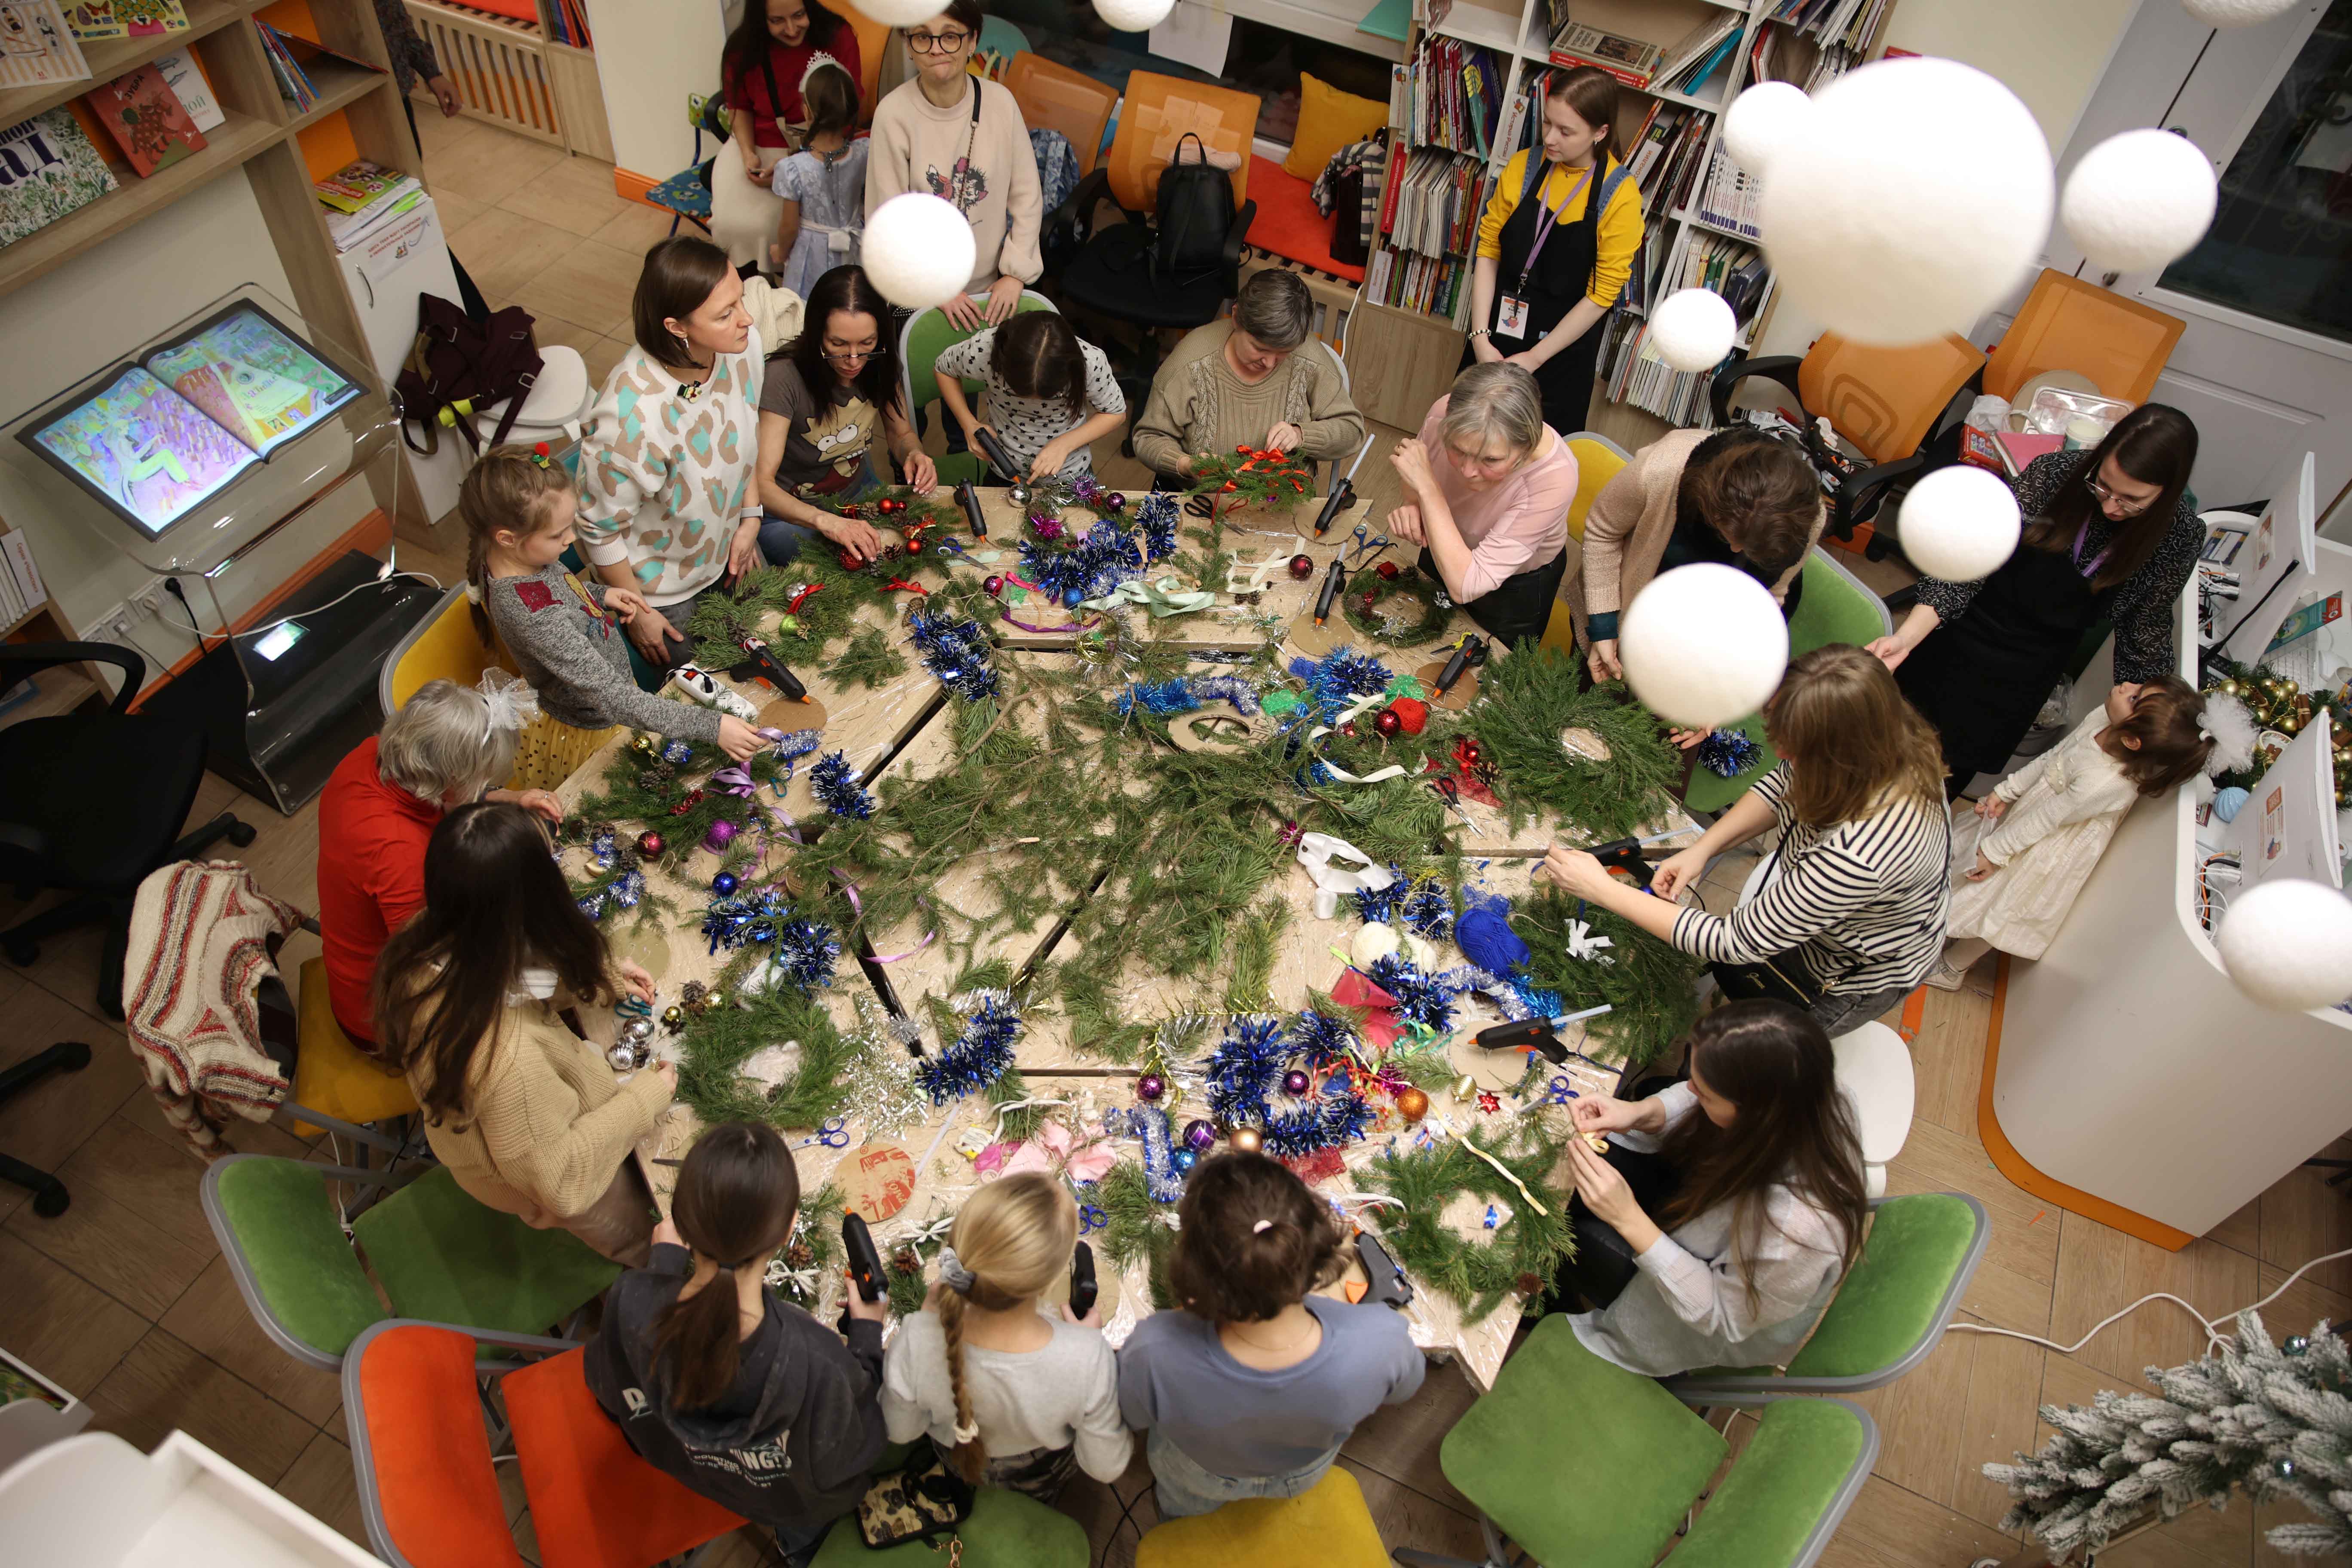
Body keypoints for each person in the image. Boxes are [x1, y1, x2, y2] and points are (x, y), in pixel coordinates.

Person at [1539, 645, 1951, 1036]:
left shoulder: (1859, 855)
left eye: (1795, 751)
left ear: (1837, 756)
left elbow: (1735, 941)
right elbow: (1782, 786)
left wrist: (1602, 890)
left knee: (1755, 1047)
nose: (1781, 755)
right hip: (1818, 915)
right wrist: (1702, 849)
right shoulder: (1873, 745)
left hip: (1841, 974)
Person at [375, 803, 673, 1265]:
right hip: (565, 1181)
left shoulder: (429, 937)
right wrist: (645, 1098)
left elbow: (518, 980)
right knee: (652, 1238)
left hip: (524, 1138)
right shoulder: (509, 1063)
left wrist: (597, 978)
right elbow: (563, 1183)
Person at [586, 1121, 888, 1567]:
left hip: (678, 1466)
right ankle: (797, 1550)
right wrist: (866, 1338)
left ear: (680, 1223)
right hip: (786, 1504)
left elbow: (609, 1390)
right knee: (807, 1522)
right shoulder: (815, 1361)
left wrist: (662, 1267)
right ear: (788, 1230)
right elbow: (857, 1450)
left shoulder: (630, 1302)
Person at [1869, 405, 2203, 799]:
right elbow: (1967, 563)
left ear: (2168, 492)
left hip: (2029, 670)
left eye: (2132, 501)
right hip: (1966, 628)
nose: (2111, 506)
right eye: (2103, 486)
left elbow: (2145, 628)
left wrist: (2154, 718)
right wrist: (1907, 639)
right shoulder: (2054, 474)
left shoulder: (2179, 536)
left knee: (1940, 779)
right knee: (1880, 741)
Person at [1555, 1000, 1869, 1379]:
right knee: (1631, 1115)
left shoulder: (1796, 1233)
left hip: (1707, 1311)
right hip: (1707, 1206)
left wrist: (1628, 1218)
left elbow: (1721, 1315)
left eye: (1704, 1093)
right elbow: (1696, 1092)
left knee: (1574, 1231)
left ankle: (1550, 1296)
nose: (1690, 1088)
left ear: (1753, 1114)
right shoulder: (1803, 1092)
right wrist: (1640, 1113)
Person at [1117, 1151, 1424, 1518]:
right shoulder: (1383, 1340)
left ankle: (1176, 1521)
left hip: (1198, 1473)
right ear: (1313, 1245)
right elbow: (1406, 1388)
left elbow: (1132, 1413)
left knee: (1181, 1508)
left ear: (1193, 1271)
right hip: (1302, 1471)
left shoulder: (1154, 1350)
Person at [464, 446, 766, 776]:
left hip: (608, 699)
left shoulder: (520, 561)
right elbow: (612, 697)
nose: (571, 538)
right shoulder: (532, 615)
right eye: (558, 534)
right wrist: (713, 726)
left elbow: (559, 592)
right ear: (507, 538)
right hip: (595, 723)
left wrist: (600, 594)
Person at [576, 237, 795, 673]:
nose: (747, 319)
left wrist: (750, 518)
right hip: (664, 592)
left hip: (732, 546)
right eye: (725, 314)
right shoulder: (629, 419)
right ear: (677, 327)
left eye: (740, 300)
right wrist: (638, 611)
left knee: (788, 653)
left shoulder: (741, 348)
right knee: (720, 694)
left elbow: (745, 437)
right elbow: (599, 531)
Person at [315, 682, 559, 1048]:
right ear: (448, 783)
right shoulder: (402, 858)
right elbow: (444, 971)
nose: (486, 786)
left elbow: (445, 797)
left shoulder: (375, 755)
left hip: (371, 964)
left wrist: (510, 798)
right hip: (390, 1017)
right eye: (481, 779)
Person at [1929, 676, 2214, 987]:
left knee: (2000, 907)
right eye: (2138, 688)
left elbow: (2048, 819)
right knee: (1970, 875)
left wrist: (1995, 852)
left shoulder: (2106, 783)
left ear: (2133, 741)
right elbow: (2053, 758)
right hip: (2030, 818)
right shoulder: (2104, 718)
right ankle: (1940, 928)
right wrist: (2007, 791)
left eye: (2135, 698)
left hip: (2046, 846)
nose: (2127, 686)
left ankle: (1954, 967)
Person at [880, 1172, 1130, 1500]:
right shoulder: (1089, 1357)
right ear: (1050, 1282)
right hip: (1039, 1473)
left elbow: (901, 1431)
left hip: (954, 1457)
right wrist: (1085, 1345)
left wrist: (926, 1320)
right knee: (1035, 1504)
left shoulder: (914, 1339)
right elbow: (1105, 1467)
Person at [1464, 66, 1645, 435]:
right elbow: (1488, 251)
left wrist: (1535, 357)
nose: (1549, 138)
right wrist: (1480, 338)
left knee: (1537, 455)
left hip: (1561, 353)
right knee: (1468, 434)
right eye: (1547, 122)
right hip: (1495, 333)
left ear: (1600, 132)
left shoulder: (1620, 196)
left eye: (1566, 131)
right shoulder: (1523, 166)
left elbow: (1601, 296)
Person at [1573, 427, 1827, 689]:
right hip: (1615, 615)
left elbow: (1769, 598)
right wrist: (1603, 627)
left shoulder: (1810, 519)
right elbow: (1603, 532)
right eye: (1727, 535)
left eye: (1749, 550)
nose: (1735, 550)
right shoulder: (1664, 469)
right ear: (1707, 501)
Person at [865, 0, 1041, 332]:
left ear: (972, 41)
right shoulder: (892, 115)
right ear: (908, 45)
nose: (936, 49)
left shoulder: (1001, 103)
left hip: (994, 289)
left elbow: (1027, 197)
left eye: (950, 36)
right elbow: (887, 223)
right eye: (922, 37)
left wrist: (1015, 275)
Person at [755, 265, 936, 568]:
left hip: (856, 492)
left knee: (909, 551)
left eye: (866, 344)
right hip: (790, 513)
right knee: (845, 568)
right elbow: (762, 484)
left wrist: (914, 454)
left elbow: (901, 434)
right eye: (838, 345)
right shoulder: (783, 377)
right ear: (817, 334)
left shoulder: (880, 362)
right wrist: (827, 522)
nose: (854, 361)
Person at [1384, 362, 1577, 648]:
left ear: (1527, 447)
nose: (1468, 471)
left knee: (1487, 666)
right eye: (1458, 450)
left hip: (1515, 586)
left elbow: (1466, 585)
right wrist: (1413, 503)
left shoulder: (1555, 477)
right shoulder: (1444, 414)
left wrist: (1428, 489)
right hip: (1446, 544)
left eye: (1490, 460)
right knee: (1421, 638)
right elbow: (1416, 471)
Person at [1130, 270, 1367, 486]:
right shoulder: (1191, 362)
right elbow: (1148, 438)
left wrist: (1300, 435)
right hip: (1201, 500)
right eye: (1260, 348)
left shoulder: (1310, 360)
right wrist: (1187, 465)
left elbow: (1352, 431)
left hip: (1283, 499)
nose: (1270, 363)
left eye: (1284, 352)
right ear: (1236, 318)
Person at [714, 0, 865, 273]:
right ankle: (743, 283)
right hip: (761, 142)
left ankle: (784, 277)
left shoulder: (839, 36)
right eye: (777, 21)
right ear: (760, 18)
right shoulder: (741, 50)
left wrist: (797, 164)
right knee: (729, 223)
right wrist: (748, 154)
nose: (792, 29)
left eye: (799, 15)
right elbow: (739, 107)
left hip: (822, 144)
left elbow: (848, 112)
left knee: (775, 225)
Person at [933, 312, 1126, 483]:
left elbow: (1115, 413)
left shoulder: (1090, 362)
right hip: (1003, 468)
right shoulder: (985, 350)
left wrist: (1065, 444)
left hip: (1071, 474)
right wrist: (969, 425)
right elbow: (943, 369)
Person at [768, 58, 867, 299]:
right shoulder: (864, 152)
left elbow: (789, 227)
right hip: (855, 249)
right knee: (850, 299)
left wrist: (781, 251)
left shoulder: (793, 168)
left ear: (807, 112)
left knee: (811, 305)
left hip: (811, 256)